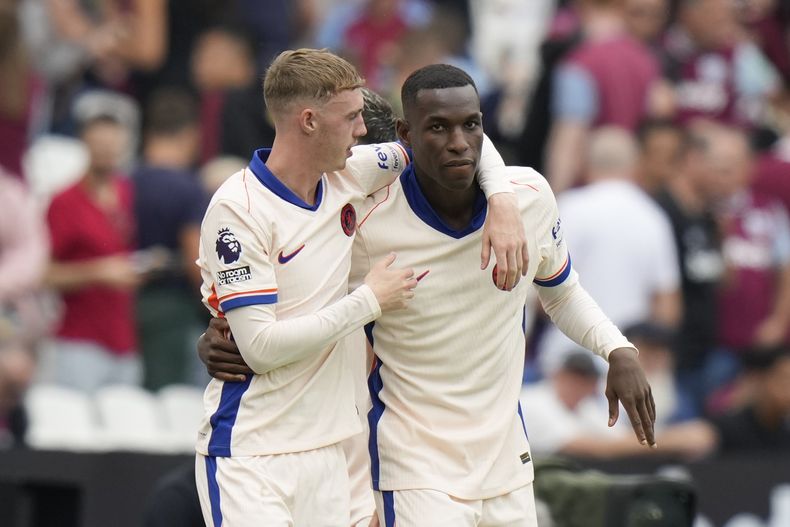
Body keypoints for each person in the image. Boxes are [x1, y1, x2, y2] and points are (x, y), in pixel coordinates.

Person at [203, 63, 656, 527]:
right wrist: (223, 326)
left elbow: (562, 291)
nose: (458, 141)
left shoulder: (527, 198)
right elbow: (276, 316)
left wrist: (616, 348)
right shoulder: (358, 211)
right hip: (404, 463)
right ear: (407, 138)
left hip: (503, 462)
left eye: (472, 126)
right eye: (351, 121)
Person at [194, 49, 528, 527]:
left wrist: (502, 198)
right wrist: (369, 300)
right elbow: (261, 349)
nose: (362, 130)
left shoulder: (351, 171)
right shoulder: (239, 210)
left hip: (335, 451)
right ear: (309, 121)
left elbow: (461, 138)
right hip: (255, 450)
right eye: (350, 117)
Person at [43, 113, 141, 393]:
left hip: (124, 339)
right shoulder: (64, 202)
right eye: (99, 143)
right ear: (84, 144)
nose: (107, 150)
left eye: (113, 143)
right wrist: (98, 272)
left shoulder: (127, 194)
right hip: (80, 339)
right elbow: (44, 274)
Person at [133, 88, 209, 391]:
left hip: (129, 302)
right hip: (171, 310)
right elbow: (195, 260)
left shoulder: (126, 181)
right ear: (190, 135)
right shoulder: (189, 189)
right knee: (166, 395)